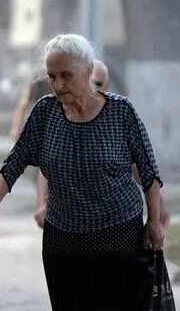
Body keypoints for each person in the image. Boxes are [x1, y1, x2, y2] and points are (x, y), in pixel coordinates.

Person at [0, 35, 168, 311]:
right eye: (52, 76)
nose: (58, 84)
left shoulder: (121, 113)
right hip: (64, 231)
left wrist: (154, 222)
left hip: (118, 226)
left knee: (108, 309)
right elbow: (15, 162)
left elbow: (149, 173)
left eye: (66, 75)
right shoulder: (46, 114)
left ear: (87, 71)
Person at [10, 59, 111, 228]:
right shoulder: (39, 77)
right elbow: (24, 102)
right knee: (49, 166)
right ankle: (46, 205)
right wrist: (16, 128)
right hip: (46, 128)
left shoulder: (112, 111)